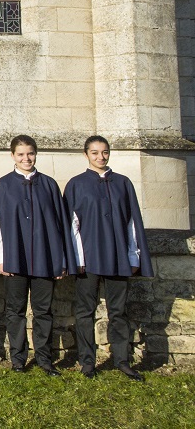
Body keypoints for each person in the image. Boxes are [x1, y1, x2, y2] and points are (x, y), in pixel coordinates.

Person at [65, 135, 153, 382]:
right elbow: (72, 225)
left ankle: (123, 361)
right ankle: (87, 362)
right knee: (85, 312)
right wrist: (77, 259)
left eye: (104, 152)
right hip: (88, 259)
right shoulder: (76, 184)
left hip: (117, 258)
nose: (100, 157)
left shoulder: (123, 183)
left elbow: (131, 222)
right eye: (95, 153)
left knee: (119, 312)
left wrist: (133, 256)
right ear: (86, 155)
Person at [0, 134, 77, 376]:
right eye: (20, 154)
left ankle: (44, 359)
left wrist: (60, 261)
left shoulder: (49, 185)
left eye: (30, 153)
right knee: (15, 311)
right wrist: (1, 258)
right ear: (12, 156)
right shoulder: (2, 186)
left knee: (43, 311)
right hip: (14, 258)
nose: (26, 158)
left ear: (35, 154)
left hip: (44, 257)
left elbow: (60, 224)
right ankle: (18, 359)